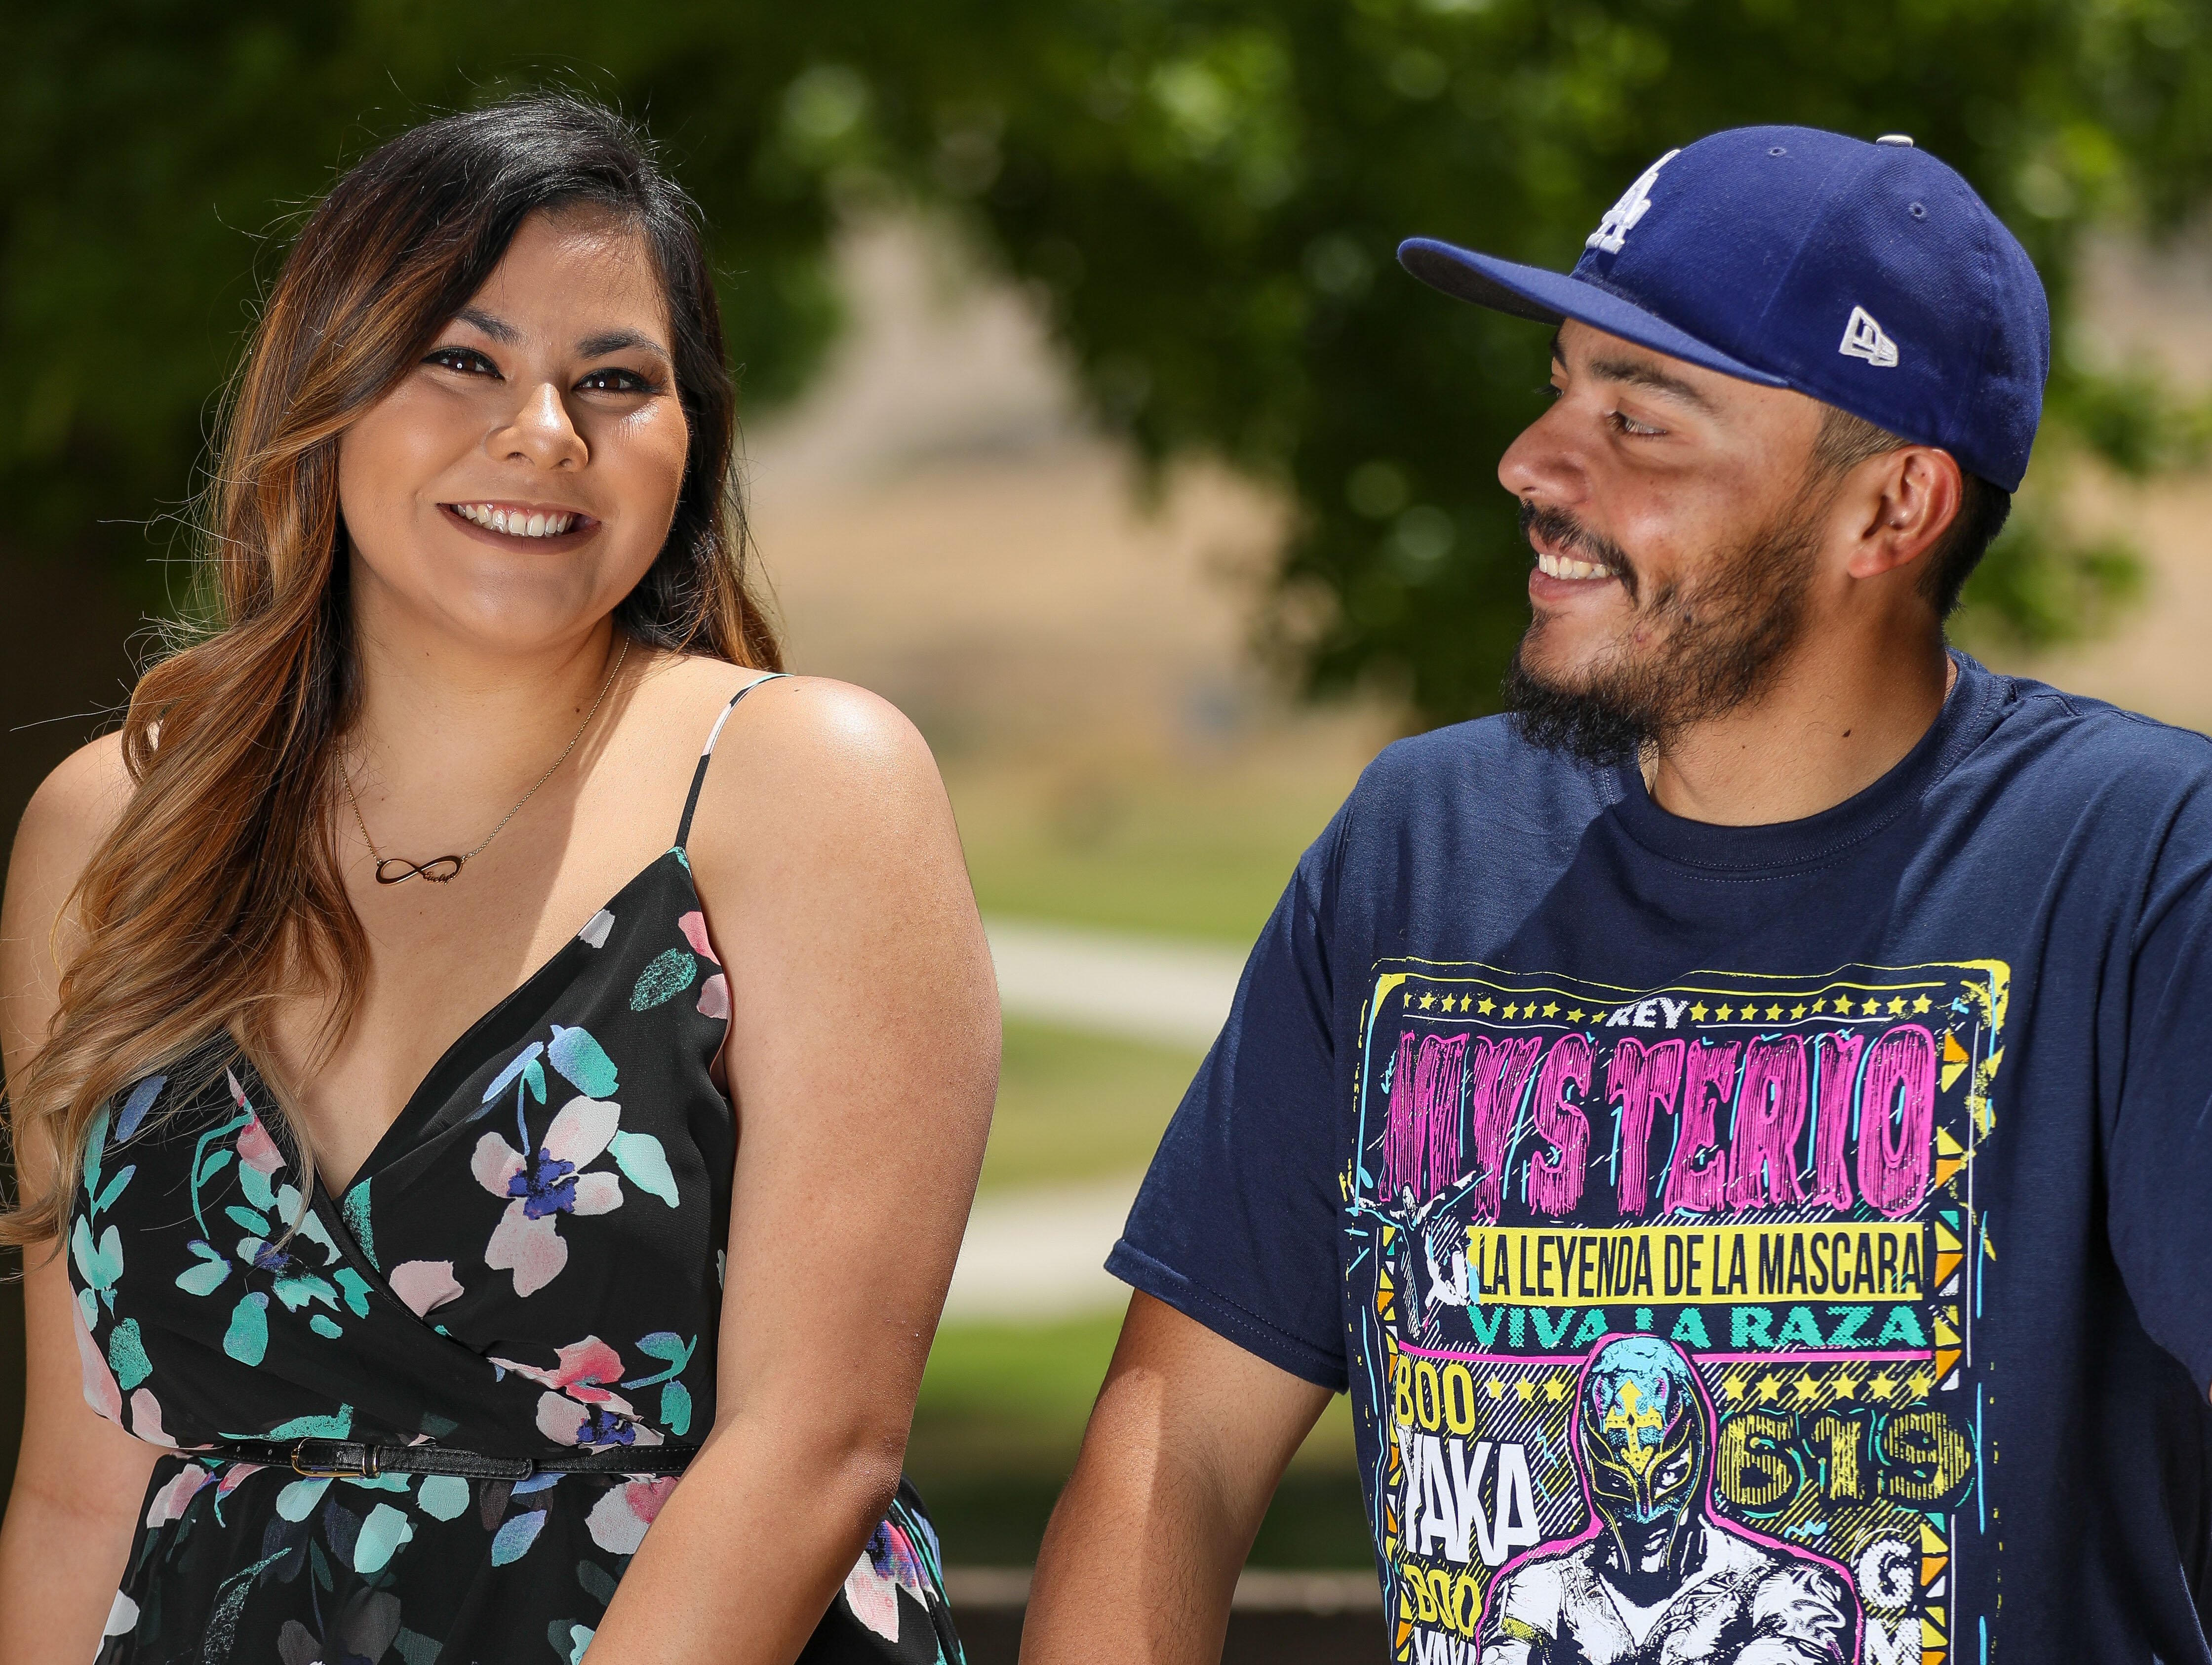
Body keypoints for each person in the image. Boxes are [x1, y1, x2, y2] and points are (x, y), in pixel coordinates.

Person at [1024, 125, 2212, 1665]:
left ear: (1892, 511)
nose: (1533, 463)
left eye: (1641, 420)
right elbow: (1174, 1443)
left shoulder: (2134, 863)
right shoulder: (1419, 841)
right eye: (1560, 387)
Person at [0, 96, 997, 1665]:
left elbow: (815, 1448)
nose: (544, 430)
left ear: (694, 441)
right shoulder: (111, 829)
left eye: (618, 380)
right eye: (463, 359)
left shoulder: (802, 784)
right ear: (324, 395)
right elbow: (81, 1489)